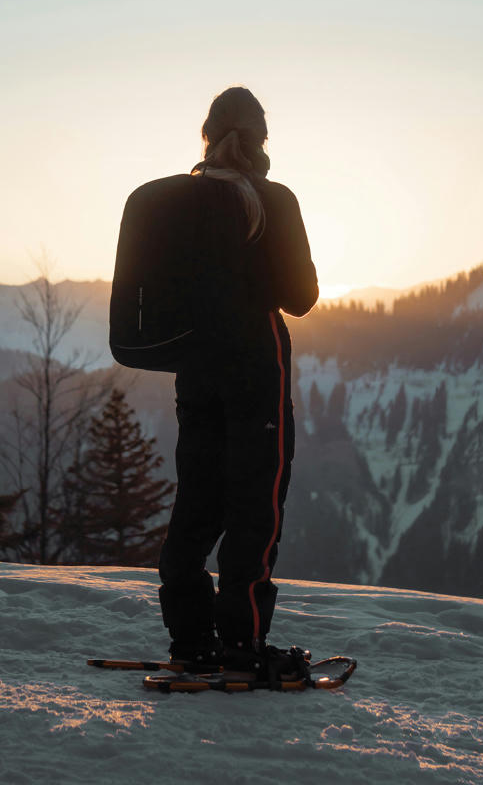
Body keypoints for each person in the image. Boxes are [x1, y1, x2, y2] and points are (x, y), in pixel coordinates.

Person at [158, 86, 318, 678]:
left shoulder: (177, 202)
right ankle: (241, 643)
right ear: (262, 140)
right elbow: (301, 297)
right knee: (257, 503)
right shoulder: (274, 200)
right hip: (256, 369)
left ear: (206, 137)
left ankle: (189, 639)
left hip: (195, 371)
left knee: (196, 499)